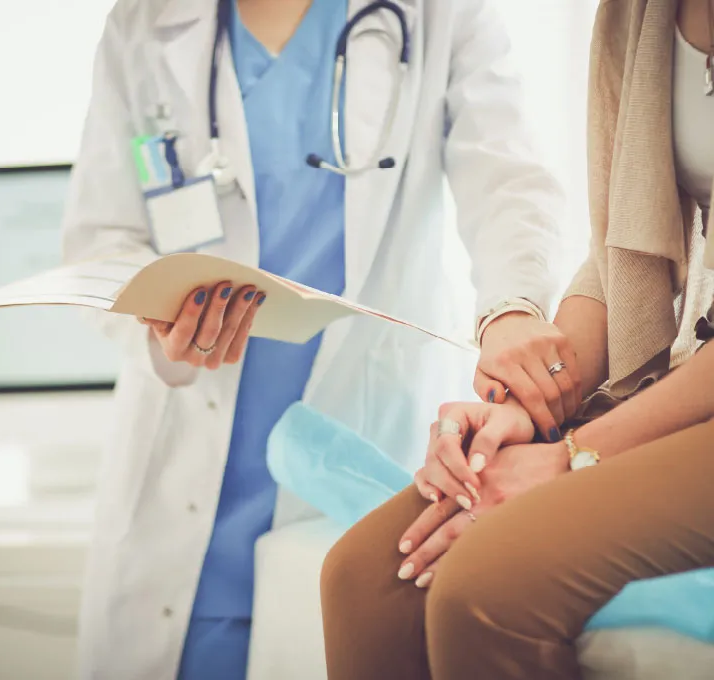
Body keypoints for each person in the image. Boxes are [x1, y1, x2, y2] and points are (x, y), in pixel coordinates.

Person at [62, 0, 567, 678]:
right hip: (187, 480)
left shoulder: (438, 12)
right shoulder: (147, 21)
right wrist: (152, 313)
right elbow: (100, 237)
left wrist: (512, 308)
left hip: (360, 439)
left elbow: (507, 178)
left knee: (334, 630)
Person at [320, 0, 714, 678]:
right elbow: (623, 250)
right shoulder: (639, 15)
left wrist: (574, 458)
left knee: (486, 588)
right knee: (363, 578)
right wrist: (534, 400)